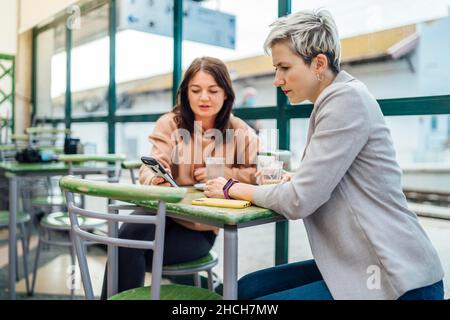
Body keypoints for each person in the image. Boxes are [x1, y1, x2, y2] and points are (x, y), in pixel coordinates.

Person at [204, 9, 444, 300]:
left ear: (319, 63)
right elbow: (321, 183)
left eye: (284, 67)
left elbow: (298, 200)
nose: (277, 80)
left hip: (396, 277)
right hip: (360, 263)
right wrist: (296, 179)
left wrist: (232, 187)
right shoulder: (334, 100)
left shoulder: (346, 101)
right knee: (246, 289)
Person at [100, 57, 258, 299]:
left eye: (213, 90)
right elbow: (151, 166)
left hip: (200, 226)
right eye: (196, 90)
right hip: (165, 212)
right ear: (186, 93)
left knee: (125, 248)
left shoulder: (240, 131)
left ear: (226, 94)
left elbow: (259, 174)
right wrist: (155, 178)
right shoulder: (170, 124)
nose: (204, 97)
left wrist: (223, 174)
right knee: (127, 239)